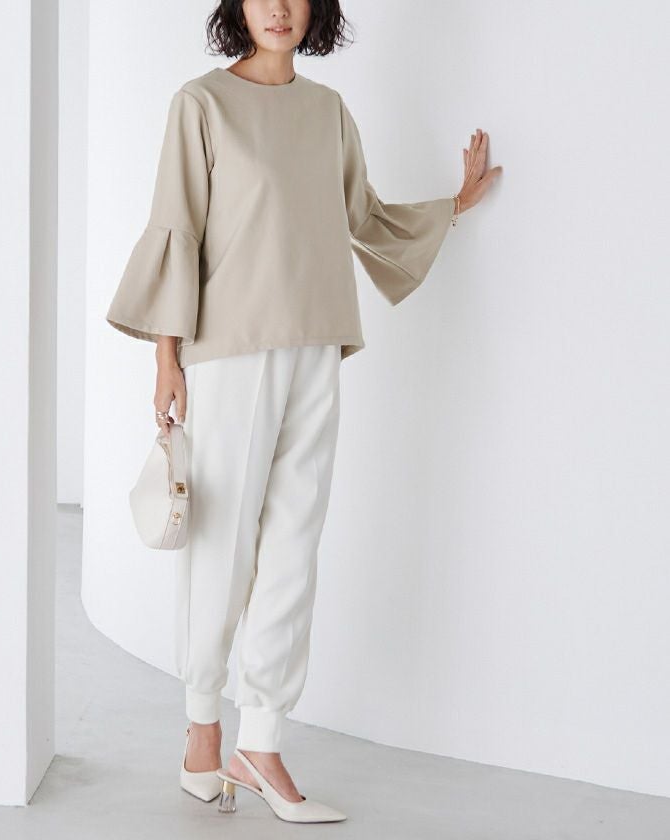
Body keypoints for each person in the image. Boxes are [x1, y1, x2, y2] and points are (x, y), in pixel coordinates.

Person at [105, 0, 502, 824]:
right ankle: (203, 734)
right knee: (221, 546)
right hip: (230, 351)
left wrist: (454, 205)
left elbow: (363, 218)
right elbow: (177, 229)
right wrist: (166, 357)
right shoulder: (201, 104)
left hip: (318, 344)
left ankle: (262, 742)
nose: (280, 8)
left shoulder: (328, 112)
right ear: (237, 8)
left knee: (293, 546)